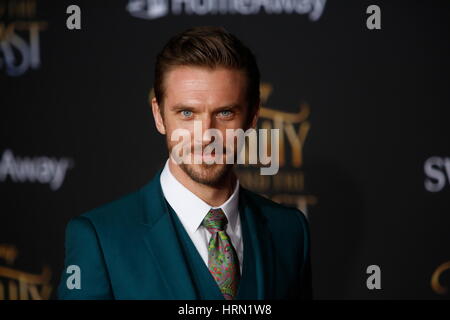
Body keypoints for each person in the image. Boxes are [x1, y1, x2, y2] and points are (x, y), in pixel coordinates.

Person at [57, 26, 312, 300]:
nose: (206, 136)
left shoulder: (289, 230)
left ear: (252, 116)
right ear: (158, 115)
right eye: (187, 113)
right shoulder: (100, 239)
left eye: (225, 112)